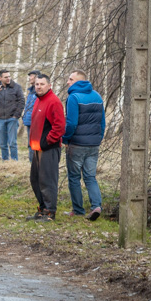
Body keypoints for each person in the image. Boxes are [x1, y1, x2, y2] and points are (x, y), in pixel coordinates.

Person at [63, 70, 105, 221]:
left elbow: (71, 123)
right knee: (90, 177)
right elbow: (102, 122)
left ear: (78, 81)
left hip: (77, 144)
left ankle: (78, 209)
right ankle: (96, 206)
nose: (68, 82)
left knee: (74, 177)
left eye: (70, 79)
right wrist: (98, 139)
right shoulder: (97, 96)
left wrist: (66, 139)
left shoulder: (73, 97)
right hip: (93, 144)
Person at [26, 74, 66, 222]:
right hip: (37, 149)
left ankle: (50, 212)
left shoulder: (53, 102)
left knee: (47, 181)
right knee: (35, 180)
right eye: (37, 84)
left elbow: (59, 127)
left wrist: (47, 142)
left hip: (48, 148)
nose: (39, 86)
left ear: (49, 85)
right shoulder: (38, 100)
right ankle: (42, 209)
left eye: (42, 84)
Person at [22, 70, 40, 162]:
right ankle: (31, 164)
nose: (29, 78)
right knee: (30, 144)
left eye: (31, 76)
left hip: (36, 122)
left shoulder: (39, 91)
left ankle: (36, 164)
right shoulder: (30, 91)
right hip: (29, 121)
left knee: (36, 144)